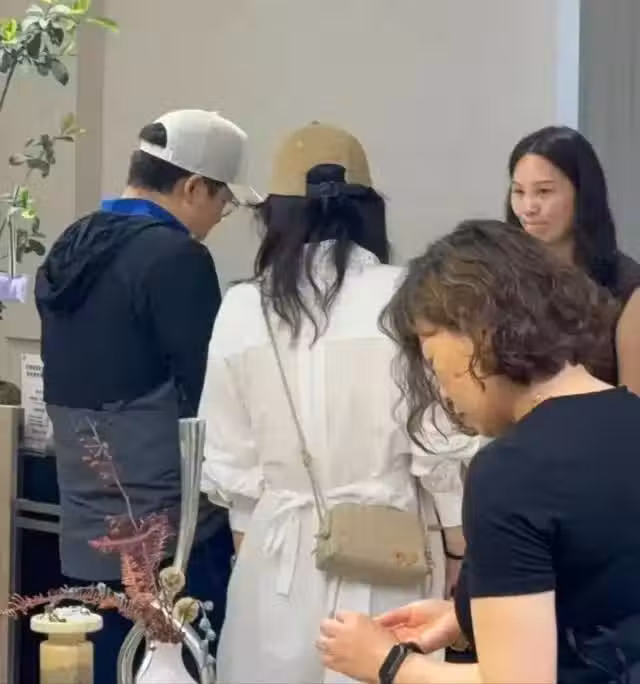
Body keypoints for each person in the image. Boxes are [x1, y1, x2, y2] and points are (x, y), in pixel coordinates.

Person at [199, 122, 482, 684]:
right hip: (393, 554)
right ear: (367, 210)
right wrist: (457, 554)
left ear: (276, 215)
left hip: (277, 556)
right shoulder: (408, 298)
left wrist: (254, 559)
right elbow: (440, 450)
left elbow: (232, 467)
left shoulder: (242, 308)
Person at [317, 220, 640, 684]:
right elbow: (598, 589)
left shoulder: (509, 473)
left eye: (433, 363)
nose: (441, 390)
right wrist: (469, 613)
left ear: (477, 333)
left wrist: (387, 663)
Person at [35, 109, 256, 682]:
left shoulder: (68, 248)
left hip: (84, 520)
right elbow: (209, 395)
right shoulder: (177, 259)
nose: (219, 217)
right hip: (169, 533)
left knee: (100, 658)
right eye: (223, 201)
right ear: (193, 187)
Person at [506, 125, 640, 393]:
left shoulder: (626, 287)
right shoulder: (503, 273)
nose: (528, 208)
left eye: (544, 192)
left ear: (583, 195)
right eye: (519, 192)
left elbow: (632, 406)